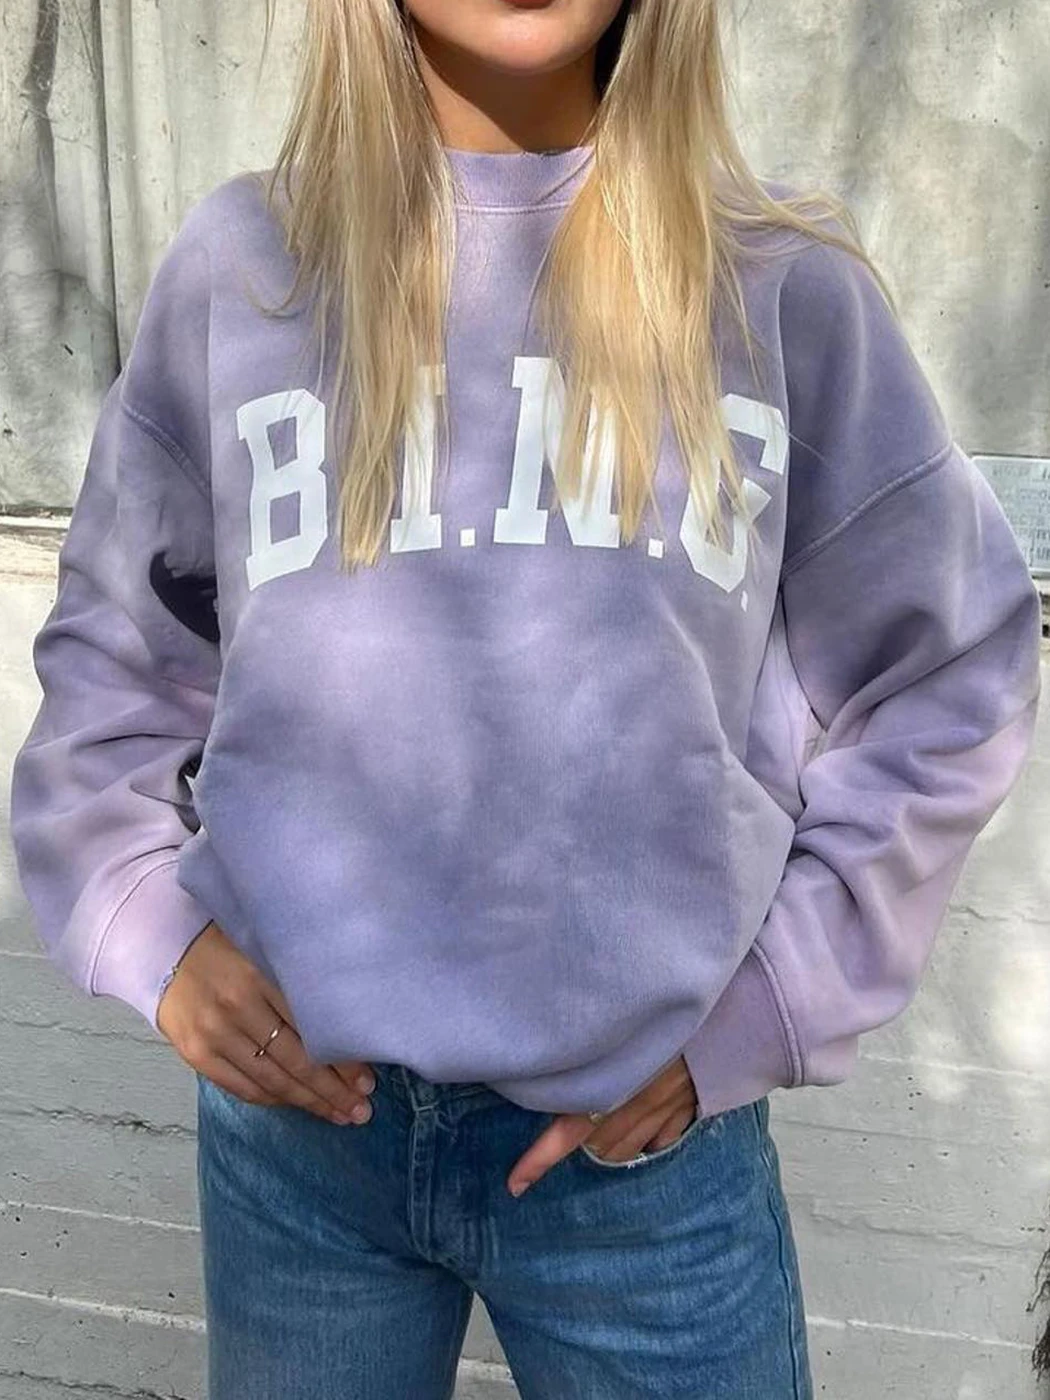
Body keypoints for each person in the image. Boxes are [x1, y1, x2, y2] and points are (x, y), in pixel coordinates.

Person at [8, 2, 1042, 1396]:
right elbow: (118, 654)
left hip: (642, 1175)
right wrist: (145, 918)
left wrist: (774, 997)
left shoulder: (777, 288)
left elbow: (951, 672)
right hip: (301, 1154)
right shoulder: (247, 268)